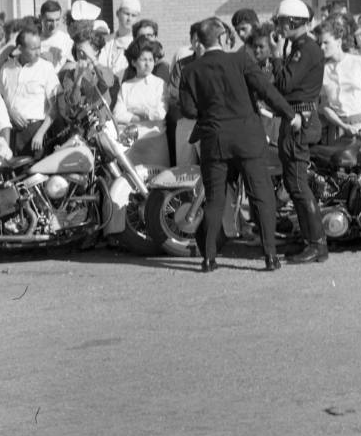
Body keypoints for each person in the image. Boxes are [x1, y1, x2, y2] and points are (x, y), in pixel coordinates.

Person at [180, 16, 297, 273]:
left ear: (200, 41)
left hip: (214, 140)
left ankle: (209, 259)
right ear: (222, 38)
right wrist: (290, 114)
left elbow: (188, 109)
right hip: (247, 138)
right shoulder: (240, 60)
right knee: (261, 196)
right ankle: (270, 257)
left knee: (215, 200)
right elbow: (266, 90)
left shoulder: (190, 70)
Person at [268, 0, 328, 264]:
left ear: (293, 22)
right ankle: (308, 240)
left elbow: (283, 84)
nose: (279, 28)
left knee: (298, 184)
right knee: (293, 184)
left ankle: (317, 244)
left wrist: (277, 55)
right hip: (296, 116)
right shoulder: (300, 46)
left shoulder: (305, 49)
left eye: (282, 22)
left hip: (300, 119)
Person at [317, 18, 361, 158]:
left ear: (339, 42)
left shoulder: (359, 62)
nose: (321, 47)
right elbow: (324, 105)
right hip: (337, 128)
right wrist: (342, 124)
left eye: (326, 42)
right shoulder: (322, 70)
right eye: (319, 43)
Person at [0, 29, 61, 156]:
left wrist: (40, 134)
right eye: (33, 49)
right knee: (10, 174)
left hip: (35, 133)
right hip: (9, 133)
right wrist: (9, 110)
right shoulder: (7, 68)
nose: (38, 52)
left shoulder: (46, 68)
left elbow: (54, 108)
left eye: (39, 47)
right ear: (20, 48)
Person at [113, 37, 170, 167]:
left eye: (151, 60)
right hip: (132, 145)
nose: (148, 64)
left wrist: (135, 111)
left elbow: (160, 113)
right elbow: (118, 114)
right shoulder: (126, 86)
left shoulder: (159, 84)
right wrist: (144, 115)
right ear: (133, 62)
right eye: (143, 59)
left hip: (156, 142)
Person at [58, 27, 114, 123]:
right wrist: (78, 78)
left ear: (96, 51)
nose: (81, 54)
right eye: (78, 51)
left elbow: (106, 83)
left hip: (103, 122)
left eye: (84, 51)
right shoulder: (70, 75)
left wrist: (93, 60)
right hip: (83, 125)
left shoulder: (104, 70)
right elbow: (72, 101)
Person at [168, 22, 203, 166]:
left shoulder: (218, 63)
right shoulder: (181, 65)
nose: (199, 44)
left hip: (208, 122)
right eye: (196, 40)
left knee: (211, 169)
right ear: (191, 42)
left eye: (203, 40)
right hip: (186, 121)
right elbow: (173, 93)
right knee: (184, 168)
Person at [99, 0, 141, 82]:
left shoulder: (139, 45)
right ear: (117, 14)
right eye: (126, 14)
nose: (129, 19)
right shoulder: (105, 41)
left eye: (133, 15)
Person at [39, 0, 73, 73]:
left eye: (57, 20)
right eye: (50, 21)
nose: (54, 25)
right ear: (41, 18)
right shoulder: (34, 40)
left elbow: (72, 65)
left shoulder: (66, 40)